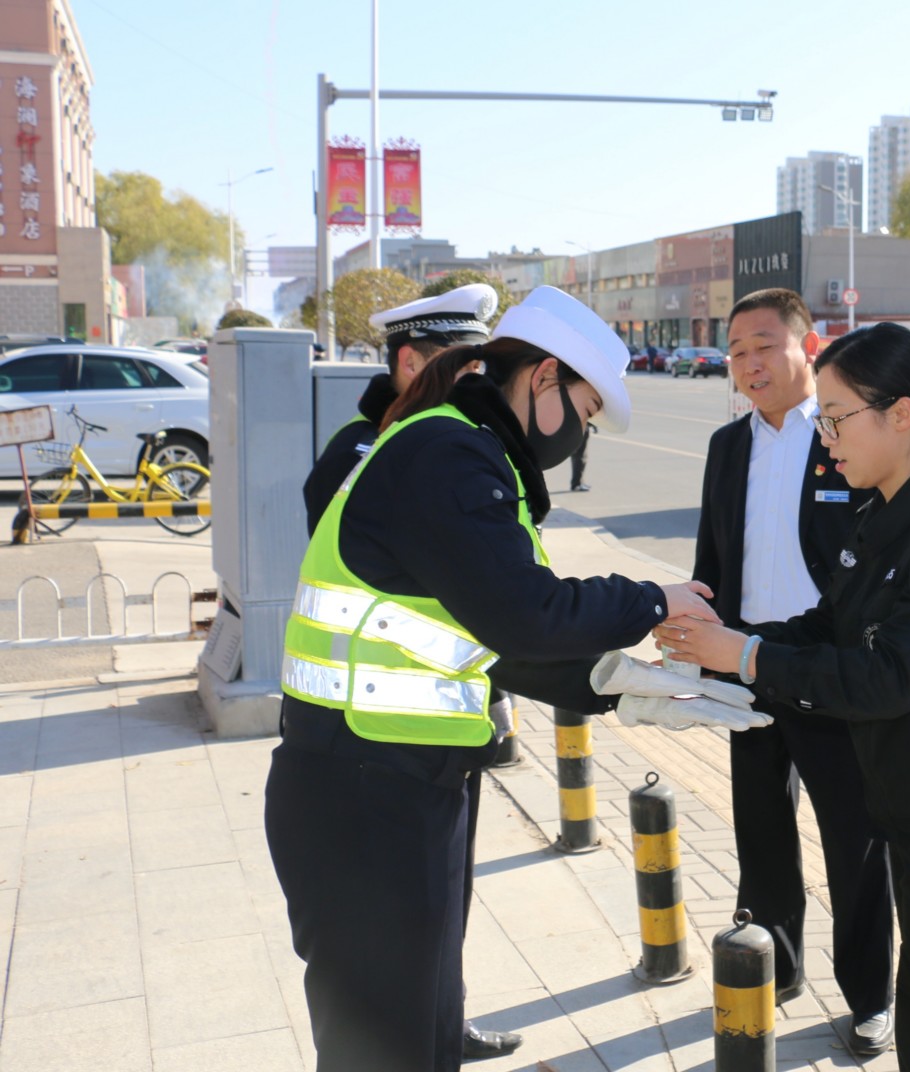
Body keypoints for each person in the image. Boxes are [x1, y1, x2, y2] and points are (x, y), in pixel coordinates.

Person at [266, 285, 721, 1072]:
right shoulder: (448, 454)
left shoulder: (465, 452)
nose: (580, 433)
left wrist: (618, 686)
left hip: (400, 781)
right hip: (363, 794)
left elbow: (493, 640)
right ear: (543, 378)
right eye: (584, 411)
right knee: (382, 1047)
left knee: (421, 1028)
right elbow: (524, 614)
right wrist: (652, 600)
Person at [661, 322, 910, 1072]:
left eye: (836, 419)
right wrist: (723, 642)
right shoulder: (885, 517)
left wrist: (745, 655)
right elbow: (829, 624)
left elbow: (886, 678)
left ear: (900, 414)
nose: (825, 438)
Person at [297, 283, 517, 1060]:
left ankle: (444, 1026)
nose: (478, 385)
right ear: (411, 364)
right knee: (388, 932)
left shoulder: (459, 443)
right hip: (372, 740)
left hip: (444, 719)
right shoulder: (366, 452)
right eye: (462, 367)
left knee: (446, 894)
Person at [692, 289, 895, 1055]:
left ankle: (871, 996)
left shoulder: (842, 434)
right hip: (744, 665)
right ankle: (772, 966)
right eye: (736, 350)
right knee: (761, 829)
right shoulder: (727, 446)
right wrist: (701, 638)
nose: (749, 362)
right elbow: (712, 555)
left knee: (853, 838)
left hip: (825, 670)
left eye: (764, 345)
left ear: (807, 348)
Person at [302, 284, 499, 535]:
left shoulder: (466, 435)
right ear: (410, 363)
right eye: (459, 364)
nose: (476, 379)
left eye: (477, 367)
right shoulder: (355, 454)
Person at [569, 420, 593, 491]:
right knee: (580, 456)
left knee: (578, 455)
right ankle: (577, 484)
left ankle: (578, 482)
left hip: (576, 426)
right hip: (580, 426)